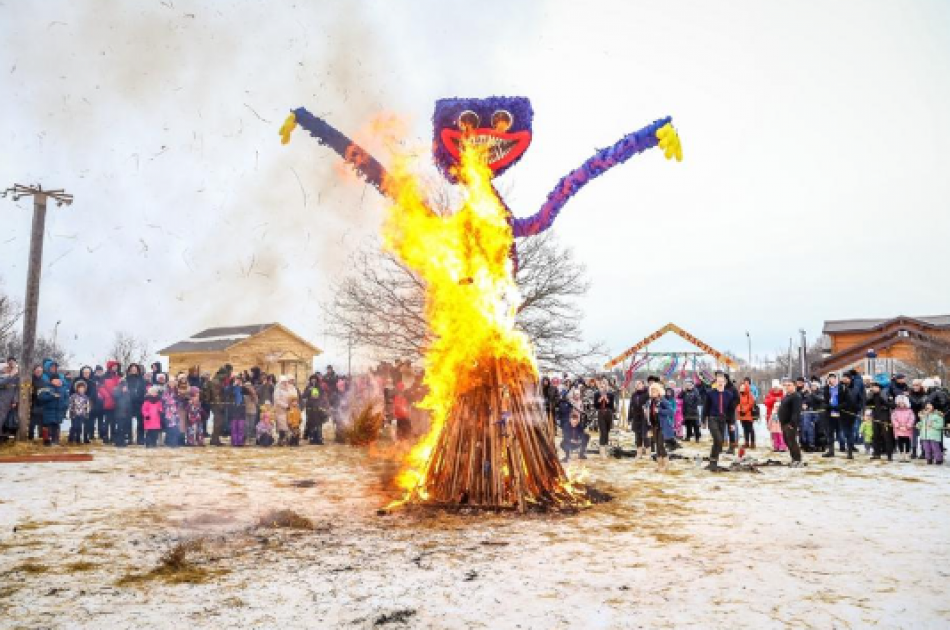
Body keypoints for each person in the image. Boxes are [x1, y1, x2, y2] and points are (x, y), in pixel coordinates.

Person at [703, 373, 735, 471]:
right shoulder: (710, 393)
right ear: (716, 383)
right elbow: (706, 408)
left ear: (725, 383)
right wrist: (703, 420)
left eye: (722, 382)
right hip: (713, 418)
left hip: (723, 419)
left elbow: (731, 410)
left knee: (719, 442)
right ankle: (713, 460)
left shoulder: (729, 395)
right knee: (718, 439)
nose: (720, 383)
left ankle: (713, 461)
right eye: (718, 382)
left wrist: (732, 423)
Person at [822, 373, 855, 458]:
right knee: (830, 433)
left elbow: (849, 401)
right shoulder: (826, 388)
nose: (831, 380)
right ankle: (831, 451)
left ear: (836, 379)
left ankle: (850, 452)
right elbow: (824, 401)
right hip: (830, 414)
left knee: (845, 433)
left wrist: (839, 407)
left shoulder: (843, 388)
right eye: (829, 378)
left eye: (833, 378)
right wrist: (826, 406)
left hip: (842, 413)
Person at [645, 382, 672, 470]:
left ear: (659, 391)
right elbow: (648, 412)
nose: (653, 392)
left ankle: (666, 465)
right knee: (657, 446)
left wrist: (660, 410)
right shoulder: (650, 401)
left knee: (661, 445)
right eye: (652, 390)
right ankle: (659, 464)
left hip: (662, 426)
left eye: (655, 390)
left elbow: (671, 411)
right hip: (654, 426)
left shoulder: (663, 400)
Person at [777, 379, 804, 466]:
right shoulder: (786, 396)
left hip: (790, 423)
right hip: (784, 422)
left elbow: (796, 411)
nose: (787, 387)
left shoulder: (796, 396)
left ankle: (797, 459)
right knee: (787, 441)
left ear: (794, 386)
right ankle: (793, 458)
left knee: (792, 441)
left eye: (789, 385)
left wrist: (792, 423)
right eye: (786, 385)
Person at [866, 381, 894, 461]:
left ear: (879, 388)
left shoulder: (885, 394)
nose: (873, 388)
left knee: (887, 437)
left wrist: (884, 403)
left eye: (874, 387)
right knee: (875, 437)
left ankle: (889, 455)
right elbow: (866, 403)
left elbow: (892, 405)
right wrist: (870, 397)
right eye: (872, 387)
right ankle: (876, 453)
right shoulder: (872, 395)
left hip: (885, 418)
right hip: (875, 418)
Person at [37, 375, 67, 446]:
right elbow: (41, 397)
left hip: (58, 411)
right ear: (51, 381)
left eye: (58, 379)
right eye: (55, 380)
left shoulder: (62, 389)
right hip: (48, 411)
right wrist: (52, 396)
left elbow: (66, 398)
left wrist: (65, 405)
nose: (58, 381)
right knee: (47, 426)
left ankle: (55, 441)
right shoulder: (46, 388)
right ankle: (46, 441)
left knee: (56, 426)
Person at [125, 364, 147, 445]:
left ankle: (140, 439)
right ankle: (129, 438)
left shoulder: (141, 379)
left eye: (135, 369)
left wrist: (141, 398)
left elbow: (144, 390)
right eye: (132, 369)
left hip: (139, 402)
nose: (134, 370)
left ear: (138, 370)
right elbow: (123, 389)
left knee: (140, 421)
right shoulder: (126, 379)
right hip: (129, 402)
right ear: (130, 370)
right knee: (128, 421)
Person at [800, 377, 823, 451]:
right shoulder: (808, 393)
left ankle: (820, 445)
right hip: (810, 413)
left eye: (814, 386)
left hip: (819, 413)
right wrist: (804, 404)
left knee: (819, 430)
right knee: (809, 429)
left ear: (817, 387)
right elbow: (805, 400)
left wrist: (811, 394)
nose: (812, 387)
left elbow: (820, 399)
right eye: (812, 386)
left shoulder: (820, 392)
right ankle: (809, 444)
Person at [303, 375, 327, 445]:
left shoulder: (320, 387)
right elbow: (304, 396)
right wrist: (309, 390)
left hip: (318, 408)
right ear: (310, 380)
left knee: (318, 424)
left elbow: (323, 397)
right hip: (310, 408)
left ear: (317, 380)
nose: (313, 380)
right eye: (312, 379)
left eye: (314, 379)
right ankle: (312, 438)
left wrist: (319, 399)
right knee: (311, 424)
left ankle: (319, 438)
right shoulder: (308, 387)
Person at [890, 395, 915, 463]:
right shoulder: (895, 411)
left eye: (903, 403)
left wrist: (907, 426)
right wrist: (898, 426)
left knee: (907, 442)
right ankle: (901, 454)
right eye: (900, 403)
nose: (901, 404)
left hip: (907, 429)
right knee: (900, 442)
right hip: (899, 429)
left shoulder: (910, 411)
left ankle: (907, 454)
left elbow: (912, 419)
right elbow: (893, 419)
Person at [764, 379, 786, 452]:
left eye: (777, 388)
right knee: (773, 433)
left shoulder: (783, 394)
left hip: (781, 416)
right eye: (774, 388)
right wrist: (774, 399)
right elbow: (766, 402)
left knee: (781, 433)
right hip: (772, 416)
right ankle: (775, 445)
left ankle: (782, 445)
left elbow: (786, 402)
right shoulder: (769, 394)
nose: (775, 389)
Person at [594, 379, 615, 457]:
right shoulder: (596, 394)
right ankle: (602, 452)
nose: (604, 386)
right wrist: (600, 400)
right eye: (602, 384)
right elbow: (595, 406)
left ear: (607, 385)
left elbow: (612, 407)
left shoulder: (611, 394)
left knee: (607, 431)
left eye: (605, 384)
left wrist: (606, 399)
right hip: (601, 413)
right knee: (603, 432)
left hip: (609, 413)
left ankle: (605, 449)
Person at [0, 357, 20, 436]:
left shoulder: (17, 374)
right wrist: (10, 375)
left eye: (13, 362)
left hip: (9, 399)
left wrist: (15, 400)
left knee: (8, 418)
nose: (11, 364)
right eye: (9, 362)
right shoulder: (2, 372)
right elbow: (1, 383)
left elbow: (17, 388)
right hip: (2, 398)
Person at [112, 379, 132, 448]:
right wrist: (121, 391)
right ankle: (118, 441)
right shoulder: (116, 391)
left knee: (124, 428)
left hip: (125, 413)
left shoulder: (127, 393)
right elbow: (115, 397)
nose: (125, 387)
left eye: (126, 386)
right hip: (119, 413)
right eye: (123, 385)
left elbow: (128, 402)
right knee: (119, 428)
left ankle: (122, 441)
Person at [738, 381, 757, 449]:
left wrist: (744, 410)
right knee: (744, 429)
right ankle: (746, 442)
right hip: (742, 415)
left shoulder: (749, 395)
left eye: (743, 388)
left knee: (750, 429)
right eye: (741, 387)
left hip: (748, 414)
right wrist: (739, 410)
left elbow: (751, 404)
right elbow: (738, 403)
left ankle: (752, 443)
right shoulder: (739, 395)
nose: (741, 389)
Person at [230, 375, 247, 446]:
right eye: (237, 380)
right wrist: (233, 386)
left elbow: (247, 392)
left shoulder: (243, 388)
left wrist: (242, 386)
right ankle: (234, 442)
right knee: (234, 427)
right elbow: (227, 392)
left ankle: (240, 442)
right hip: (234, 410)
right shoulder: (232, 388)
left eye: (239, 380)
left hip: (241, 410)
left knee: (241, 427)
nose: (238, 381)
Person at [29, 365, 45, 440]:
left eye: (40, 371)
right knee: (32, 423)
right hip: (33, 403)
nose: (39, 372)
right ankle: (30, 437)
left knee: (42, 422)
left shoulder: (43, 381)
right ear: (34, 371)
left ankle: (41, 437)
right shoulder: (30, 379)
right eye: (37, 370)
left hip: (41, 403)